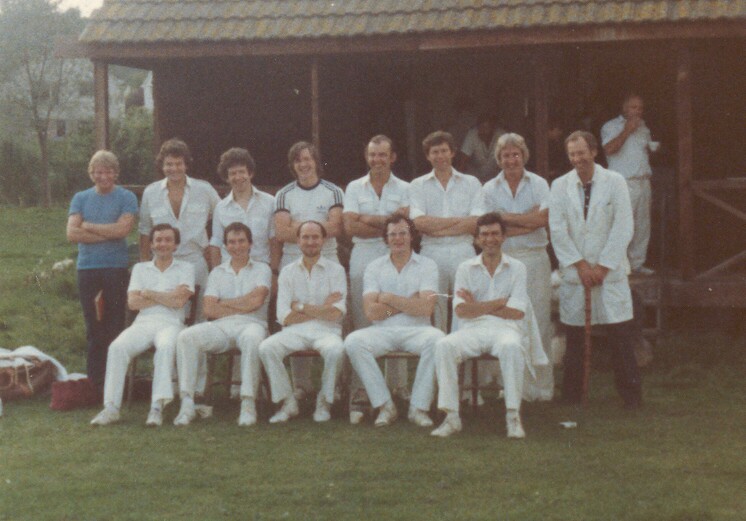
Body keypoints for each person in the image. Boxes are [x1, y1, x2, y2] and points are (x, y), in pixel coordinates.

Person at [431, 213, 547, 438]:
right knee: (444, 345)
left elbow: (517, 312)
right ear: (476, 239)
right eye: (484, 234)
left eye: (495, 233)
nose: (490, 239)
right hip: (472, 328)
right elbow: (461, 310)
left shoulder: (517, 268)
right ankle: (452, 416)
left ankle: (513, 416)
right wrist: (495, 303)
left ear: (504, 237)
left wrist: (477, 305)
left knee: (512, 347)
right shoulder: (465, 268)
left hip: (506, 329)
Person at [549, 130, 642, 409]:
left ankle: (631, 398)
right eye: (572, 154)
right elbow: (557, 230)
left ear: (593, 152)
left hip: (609, 273)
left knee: (620, 336)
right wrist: (579, 265)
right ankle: (572, 397)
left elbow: (623, 226)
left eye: (581, 152)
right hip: (577, 273)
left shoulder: (615, 182)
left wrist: (602, 267)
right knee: (576, 338)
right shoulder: (560, 186)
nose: (577, 159)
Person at [474, 133, 554, 400]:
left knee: (538, 321)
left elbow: (543, 219)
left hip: (534, 257)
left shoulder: (539, 183)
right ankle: (499, 384)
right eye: (506, 155)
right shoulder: (488, 189)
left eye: (515, 154)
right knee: (498, 319)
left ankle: (537, 389)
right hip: (501, 261)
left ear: (524, 155)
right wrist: (523, 219)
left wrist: (505, 222)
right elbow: (487, 227)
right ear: (499, 159)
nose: (511, 160)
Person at [344, 215, 444, 428]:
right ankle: (385, 405)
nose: (398, 238)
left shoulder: (428, 265)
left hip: (418, 329)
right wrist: (407, 303)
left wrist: (389, 300)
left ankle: (418, 408)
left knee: (438, 341)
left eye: (403, 233)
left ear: (411, 236)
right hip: (383, 330)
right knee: (354, 341)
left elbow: (426, 308)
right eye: (392, 234)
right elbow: (372, 313)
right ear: (386, 239)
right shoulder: (374, 267)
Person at [90, 224, 194, 426]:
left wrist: (150, 293)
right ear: (152, 244)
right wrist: (169, 295)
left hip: (172, 323)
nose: (163, 244)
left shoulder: (186, 268)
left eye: (168, 240)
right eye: (158, 240)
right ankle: (111, 407)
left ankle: (156, 407)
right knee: (117, 347)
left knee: (165, 347)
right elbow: (133, 303)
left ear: (176, 244)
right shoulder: (140, 268)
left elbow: (180, 302)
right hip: (143, 322)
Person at [173, 222, 271, 426]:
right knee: (186, 336)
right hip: (222, 327)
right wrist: (243, 302)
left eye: (241, 241)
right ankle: (188, 403)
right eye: (232, 242)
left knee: (252, 339)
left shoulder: (263, 269)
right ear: (225, 246)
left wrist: (224, 303)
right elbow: (209, 309)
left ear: (250, 243)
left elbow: (257, 302)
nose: (237, 246)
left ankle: (248, 403)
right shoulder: (217, 272)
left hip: (253, 324)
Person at [343, 135, 411, 406]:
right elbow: (350, 227)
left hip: (396, 256)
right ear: (366, 157)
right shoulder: (354, 188)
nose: (377, 160)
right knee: (364, 319)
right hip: (363, 255)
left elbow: (404, 224)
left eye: (383, 155)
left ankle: (399, 386)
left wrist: (368, 218)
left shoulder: (406, 187)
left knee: (396, 317)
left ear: (392, 157)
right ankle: (362, 388)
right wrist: (389, 222)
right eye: (372, 155)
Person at [274, 141, 344, 397]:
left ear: (316, 161)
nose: (304, 164)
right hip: (292, 262)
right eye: (298, 160)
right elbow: (281, 232)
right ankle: (301, 384)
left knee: (331, 317)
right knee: (294, 323)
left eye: (308, 159)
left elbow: (336, 228)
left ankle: (334, 385)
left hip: (328, 260)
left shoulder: (333, 192)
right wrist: (316, 226)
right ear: (293, 166)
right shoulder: (284, 194)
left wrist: (299, 226)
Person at [259, 221, 347, 423]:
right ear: (297, 241)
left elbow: (337, 314)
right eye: (305, 237)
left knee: (335, 350)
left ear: (323, 240)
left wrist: (300, 307)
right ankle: (288, 403)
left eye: (315, 237)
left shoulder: (336, 270)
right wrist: (321, 309)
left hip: (327, 331)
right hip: (294, 331)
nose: (310, 242)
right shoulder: (288, 271)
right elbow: (284, 315)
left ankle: (324, 401)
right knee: (266, 348)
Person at [66, 150, 138, 391]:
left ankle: (117, 382)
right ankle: (95, 383)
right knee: (93, 326)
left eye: (108, 171)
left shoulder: (126, 197)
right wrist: (107, 231)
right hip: (88, 270)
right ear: (91, 173)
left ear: (115, 173)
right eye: (98, 171)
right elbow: (71, 233)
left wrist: (89, 227)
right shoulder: (80, 198)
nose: (103, 176)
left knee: (115, 324)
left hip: (115, 269)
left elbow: (122, 231)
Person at [139, 138, 221, 318]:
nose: (174, 169)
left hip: (195, 261)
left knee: (200, 315)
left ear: (186, 165)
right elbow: (145, 230)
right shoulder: (150, 192)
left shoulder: (204, 189)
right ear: (162, 165)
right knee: (165, 313)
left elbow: (223, 217)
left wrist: (214, 246)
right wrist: (145, 263)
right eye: (169, 164)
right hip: (162, 263)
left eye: (178, 164)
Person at [409, 131, 481, 332]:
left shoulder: (471, 183)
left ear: (453, 153)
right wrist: (458, 222)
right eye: (435, 152)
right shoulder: (418, 185)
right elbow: (420, 223)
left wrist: (438, 228)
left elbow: (474, 223)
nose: (440, 156)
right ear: (427, 156)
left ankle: (461, 355)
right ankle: (438, 355)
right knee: (435, 306)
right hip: (432, 252)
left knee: (463, 303)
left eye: (444, 151)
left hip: (463, 250)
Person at [601, 94, 659, 274]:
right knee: (622, 223)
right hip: (623, 181)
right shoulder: (611, 126)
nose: (638, 111)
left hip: (643, 180)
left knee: (642, 225)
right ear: (624, 108)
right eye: (634, 107)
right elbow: (608, 149)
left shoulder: (644, 128)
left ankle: (637, 264)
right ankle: (619, 265)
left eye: (640, 108)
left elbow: (641, 152)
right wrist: (627, 130)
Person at [208, 147, 281, 273]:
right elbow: (216, 244)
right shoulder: (220, 207)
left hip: (261, 270)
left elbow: (274, 241)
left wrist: (274, 272)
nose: (238, 177)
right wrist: (216, 275)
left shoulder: (269, 202)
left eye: (242, 172)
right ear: (227, 177)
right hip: (230, 272)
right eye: (233, 173)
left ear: (250, 173)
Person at [458, 114, 506, 183]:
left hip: (496, 178)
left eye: (486, 128)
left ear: (493, 128)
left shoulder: (502, 136)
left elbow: (508, 161)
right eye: (480, 127)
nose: (482, 131)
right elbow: (462, 162)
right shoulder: (472, 134)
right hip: (475, 177)